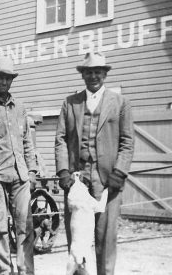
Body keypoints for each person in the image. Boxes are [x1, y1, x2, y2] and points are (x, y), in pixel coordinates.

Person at [55, 51, 134, 275]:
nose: (93, 76)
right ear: (83, 75)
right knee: (77, 241)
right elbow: (60, 139)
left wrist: (119, 172)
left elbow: (128, 142)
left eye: (97, 72)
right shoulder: (70, 103)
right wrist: (63, 172)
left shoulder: (120, 103)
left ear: (105, 74)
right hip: (77, 182)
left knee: (105, 239)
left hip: (108, 181)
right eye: (88, 72)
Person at [0, 56, 37, 275]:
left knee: (25, 226)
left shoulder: (20, 108)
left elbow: (27, 143)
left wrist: (32, 171)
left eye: (8, 78)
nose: (4, 82)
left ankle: (25, 271)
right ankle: (4, 270)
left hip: (21, 176)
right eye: (0, 77)